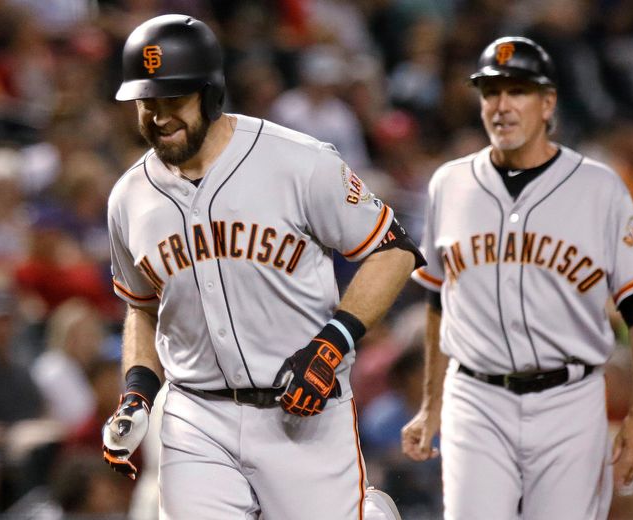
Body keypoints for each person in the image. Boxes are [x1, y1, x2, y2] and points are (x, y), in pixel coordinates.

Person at [101, 14, 423, 520]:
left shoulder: (298, 162)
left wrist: (333, 340)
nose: (158, 116)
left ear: (211, 93)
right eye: (147, 102)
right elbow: (141, 309)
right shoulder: (128, 197)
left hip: (302, 412)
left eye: (173, 101)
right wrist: (138, 392)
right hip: (196, 417)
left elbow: (394, 250)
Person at [400, 36, 633, 519]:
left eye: (517, 91)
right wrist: (430, 402)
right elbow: (439, 300)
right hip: (475, 399)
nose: (501, 106)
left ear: (548, 103)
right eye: (490, 92)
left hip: (570, 400)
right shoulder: (449, 184)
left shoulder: (599, 187)